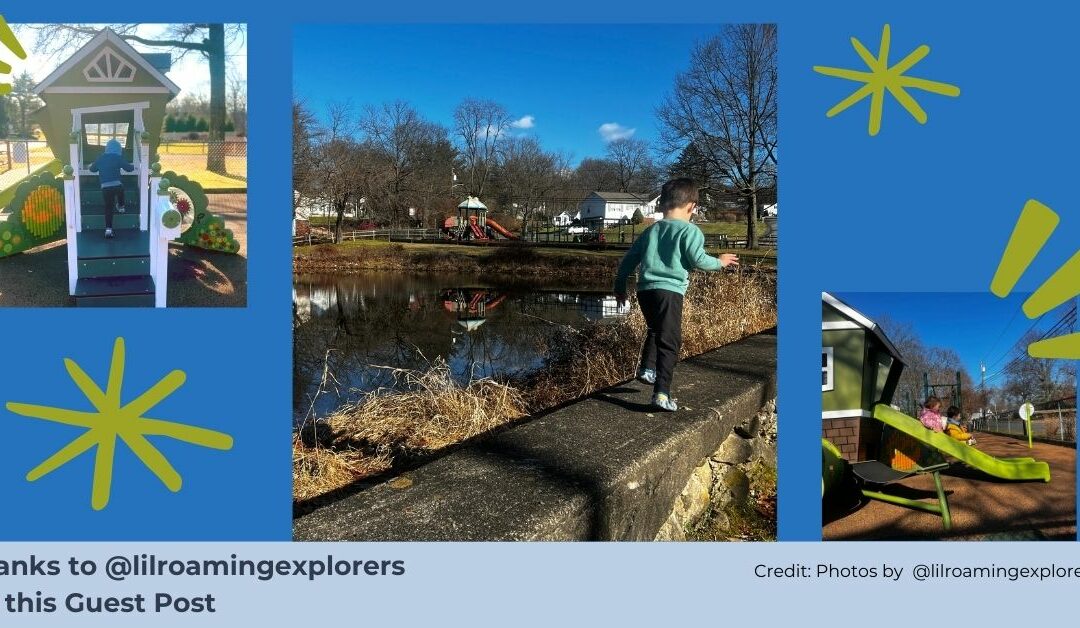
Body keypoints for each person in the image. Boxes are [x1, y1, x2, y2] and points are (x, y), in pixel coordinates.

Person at [614, 178, 739, 411]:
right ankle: (661, 393)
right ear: (692, 207)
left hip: (645, 291)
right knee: (670, 341)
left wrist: (620, 288)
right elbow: (698, 260)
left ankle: (647, 369)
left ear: (662, 204)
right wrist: (720, 262)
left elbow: (627, 262)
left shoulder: (650, 231)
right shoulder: (690, 231)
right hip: (670, 292)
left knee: (655, 329)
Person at [88, 138, 134, 239]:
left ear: (107, 149)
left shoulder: (101, 158)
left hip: (105, 187)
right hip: (117, 185)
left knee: (108, 207)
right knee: (121, 190)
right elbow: (129, 169)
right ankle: (121, 206)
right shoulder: (117, 157)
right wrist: (132, 165)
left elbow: (92, 169)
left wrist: (93, 165)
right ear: (119, 149)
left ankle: (108, 230)